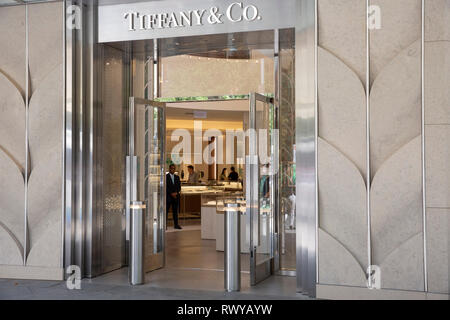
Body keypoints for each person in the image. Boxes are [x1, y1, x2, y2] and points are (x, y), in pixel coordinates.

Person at [166, 164, 182, 230]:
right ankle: (165, 225)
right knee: (166, 211)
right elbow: (166, 187)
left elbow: (179, 187)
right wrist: (171, 193)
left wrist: (176, 193)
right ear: (169, 169)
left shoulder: (177, 177)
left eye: (173, 168)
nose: (172, 170)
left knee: (175, 212)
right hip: (168, 197)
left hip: (175, 197)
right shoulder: (166, 177)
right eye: (171, 168)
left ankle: (176, 225)